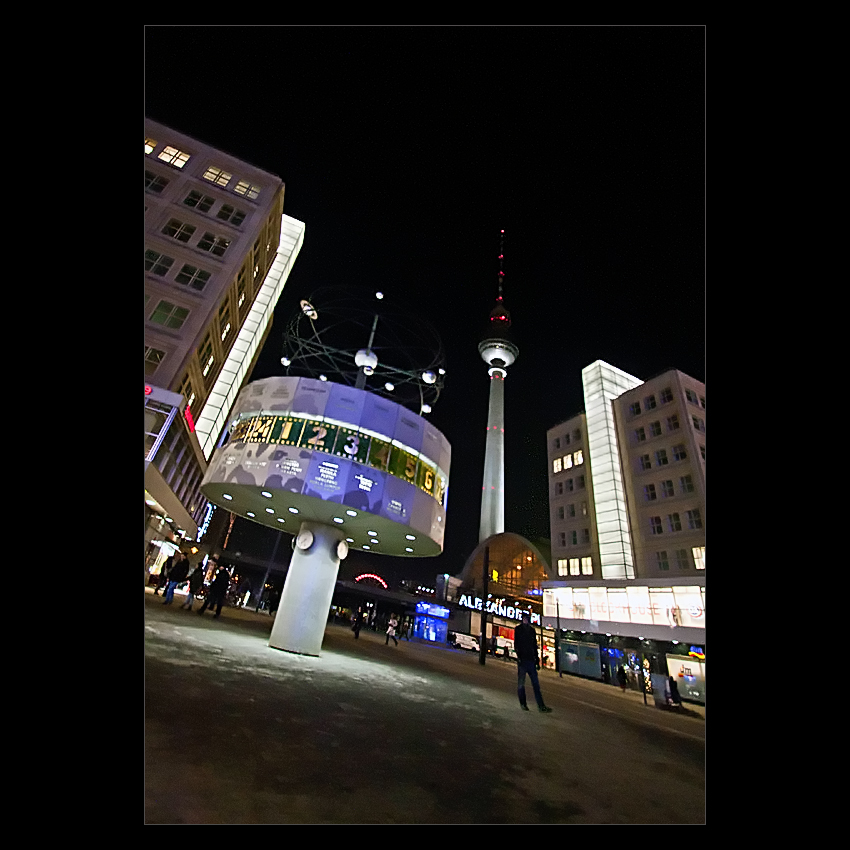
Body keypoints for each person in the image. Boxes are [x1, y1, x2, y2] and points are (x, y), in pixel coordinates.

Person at [514, 611, 552, 713]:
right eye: (525, 618)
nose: (526, 620)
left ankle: (540, 705)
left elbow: (534, 646)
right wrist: (520, 657)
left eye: (527, 618)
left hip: (529, 660)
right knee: (522, 683)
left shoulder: (530, 630)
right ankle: (524, 704)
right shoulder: (519, 629)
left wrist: (536, 659)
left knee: (535, 684)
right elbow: (516, 644)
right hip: (524, 660)